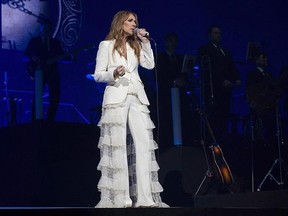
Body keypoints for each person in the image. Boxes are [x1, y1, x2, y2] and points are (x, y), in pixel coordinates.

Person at [93, 10, 167, 208]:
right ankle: (122, 199)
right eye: (130, 20)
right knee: (117, 146)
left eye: (136, 21)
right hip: (116, 97)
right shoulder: (106, 45)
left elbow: (149, 65)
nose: (134, 24)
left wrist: (145, 42)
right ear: (120, 23)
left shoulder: (136, 45)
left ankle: (145, 198)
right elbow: (98, 75)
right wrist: (113, 72)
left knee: (143, 145)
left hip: (137, 97)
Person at [197, 25, 241, 147]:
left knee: (224, 115)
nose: (218, 35)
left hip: (225, 91)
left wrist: (236, 78)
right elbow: (209, 70)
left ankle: (223, 140)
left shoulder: (225, 51)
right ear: (209, 35)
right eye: (215, 33)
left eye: (219, 33)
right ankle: (211, 141)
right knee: (214, 115)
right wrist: (221, 80)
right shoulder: (205, 50)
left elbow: (231, 66)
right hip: (213, 89)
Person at [156, 32, 191, 147]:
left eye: (175, 41)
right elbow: (159, 75)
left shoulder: (179, 58)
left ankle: (180, 144)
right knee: (168, 120)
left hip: (179, 95)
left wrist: (183, 81)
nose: (173, 44)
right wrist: (173, 82)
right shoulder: (160, 57)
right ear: (165, 42)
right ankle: (168, 145)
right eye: (171, 41)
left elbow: (185, 73)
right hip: (166, 95)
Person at [25, 20, 64, 122]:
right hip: (38, 71)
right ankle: (35, 120)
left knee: (55, 96)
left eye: (48, 27)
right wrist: (33, 58)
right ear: (41, 27)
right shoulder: (34, 41)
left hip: (52, 72)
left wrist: (71, 58)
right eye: (44, 27)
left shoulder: (55, 43)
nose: (46, 29)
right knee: (38, 96)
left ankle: (50, 120)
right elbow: (25, 55)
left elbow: (62, 56)